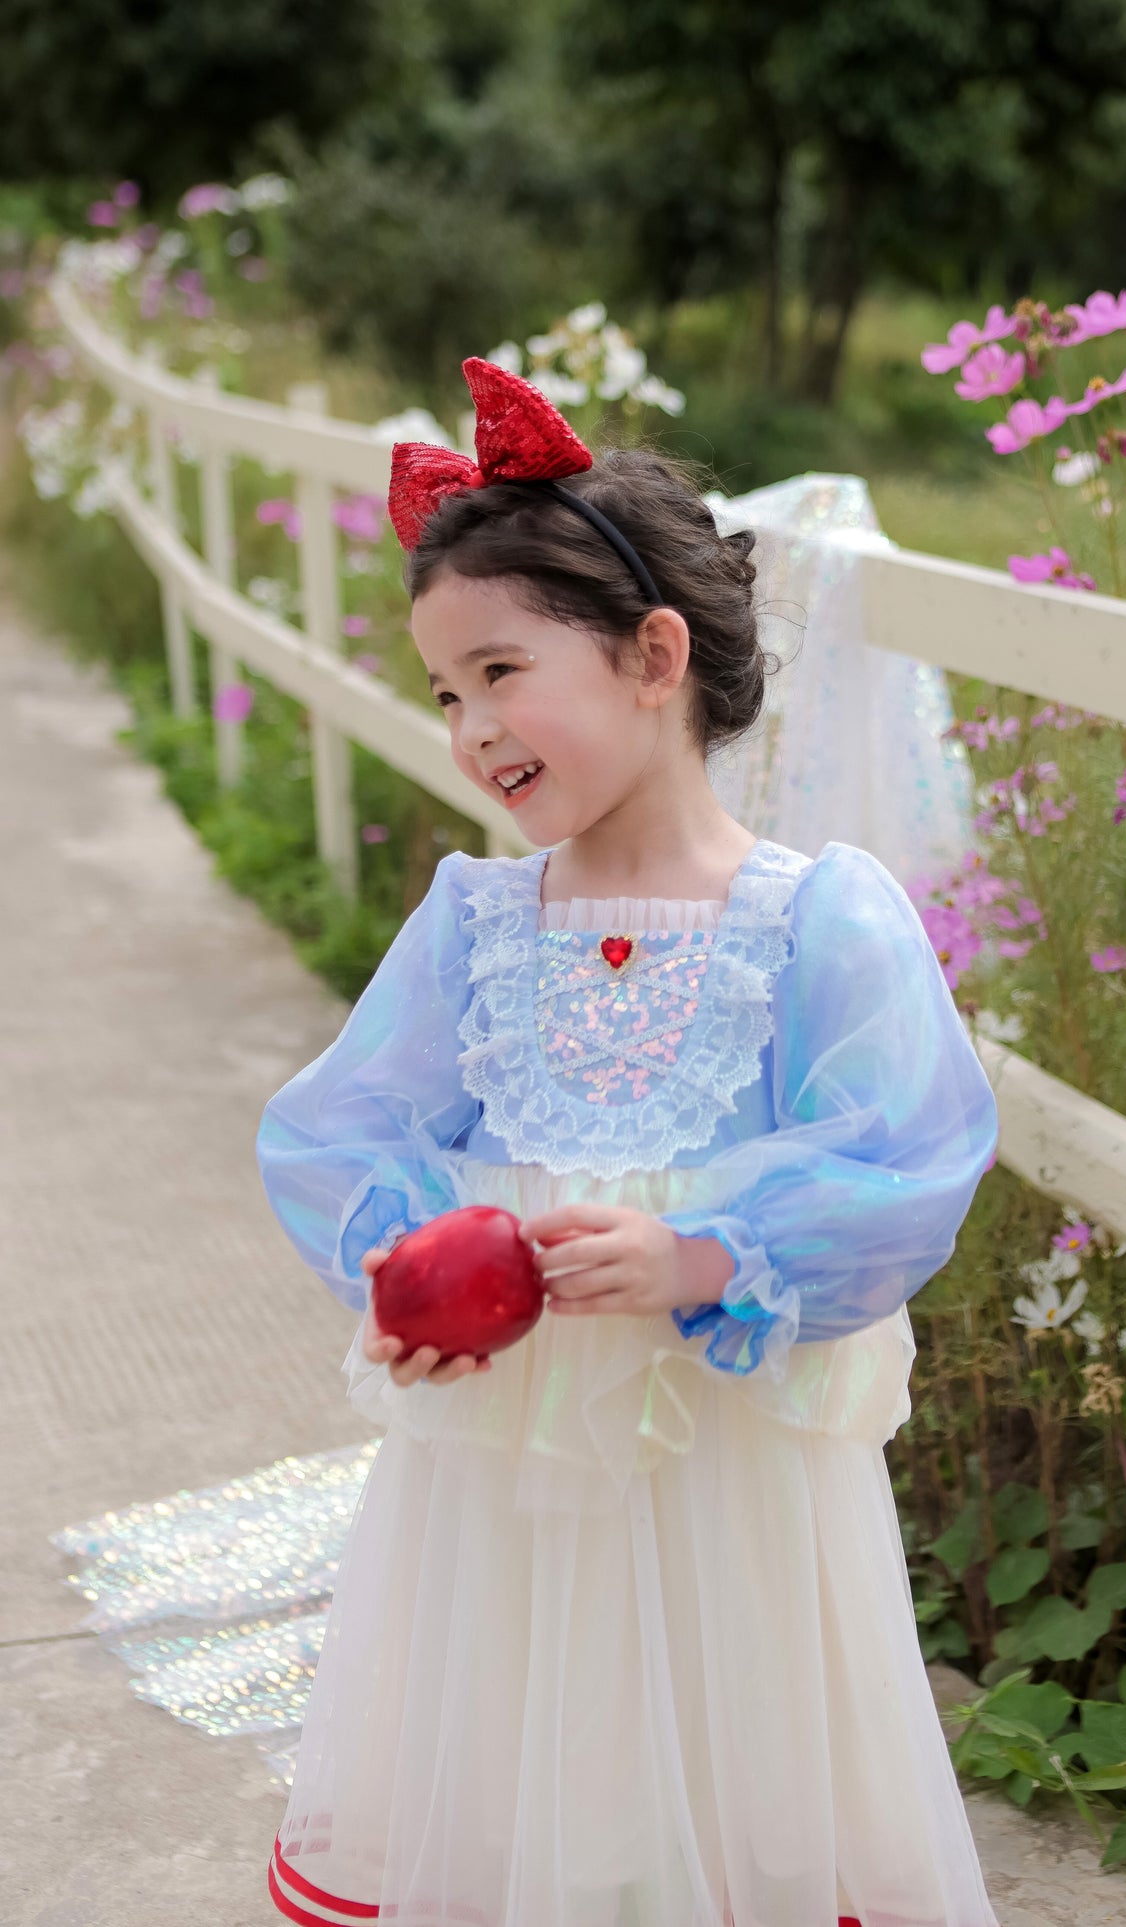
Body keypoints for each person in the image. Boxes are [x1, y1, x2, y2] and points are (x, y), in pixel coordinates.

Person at [255, 358, 999, 1927]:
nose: (469, 728)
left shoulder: (811, 919)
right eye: (445, 693)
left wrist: (705, 1254)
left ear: (654, 653)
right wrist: (401, 1264)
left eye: (501, 673)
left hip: (721, 1473)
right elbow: (341, 1126)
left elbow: (906, 1154)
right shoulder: (478, 923)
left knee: (722, 1788)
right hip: (508, 1481)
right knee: (534, 1764)